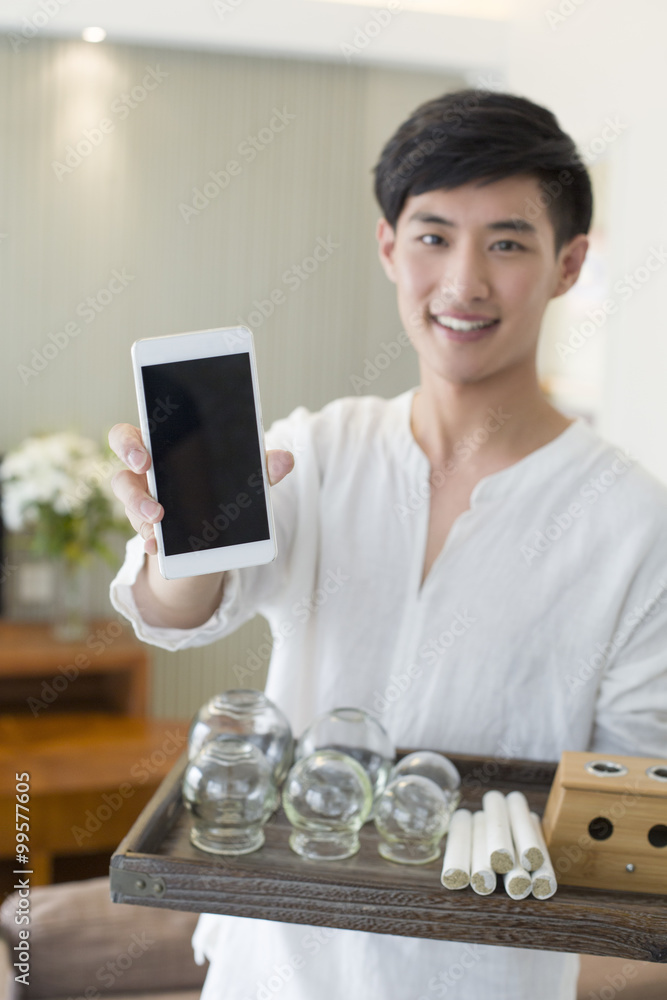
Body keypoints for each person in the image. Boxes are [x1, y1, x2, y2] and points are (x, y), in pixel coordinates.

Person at [108, 89, 667, 1000]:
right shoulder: (315, 450)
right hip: (271, 965)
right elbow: (185, 613)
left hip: (486, 978)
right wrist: (169, 537)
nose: (463, 284)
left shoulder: (636, 524)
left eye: (508, 242)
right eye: (434, 235)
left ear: (568, 265)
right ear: (386, 247)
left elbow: (633, 802)